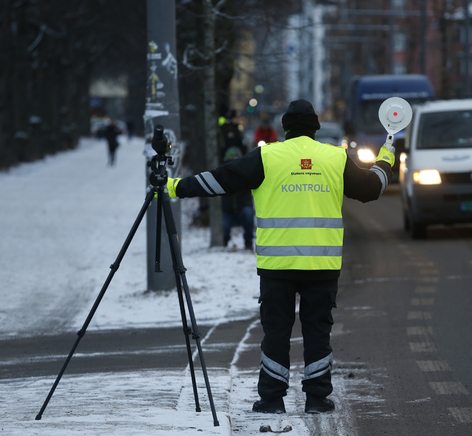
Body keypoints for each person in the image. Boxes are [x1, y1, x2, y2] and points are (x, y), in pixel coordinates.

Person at [164, 99, 395, 414]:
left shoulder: (267, 156)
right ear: (314, 129)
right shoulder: (335, 157)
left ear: (284, 128)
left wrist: (174, 187)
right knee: (317, 332)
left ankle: (272, 399)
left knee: (276, 332)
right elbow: (371, 188)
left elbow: (222, 180)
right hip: (322, 266)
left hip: (277, 267)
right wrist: (386, 157)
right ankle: (316, 398)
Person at [221, 147, 254, 250]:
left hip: (243, 209)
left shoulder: (247, 174)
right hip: (228, 212)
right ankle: (225, 241)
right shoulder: (221, 174)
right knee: (224, 223)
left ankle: (248, 241)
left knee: (248, 214)